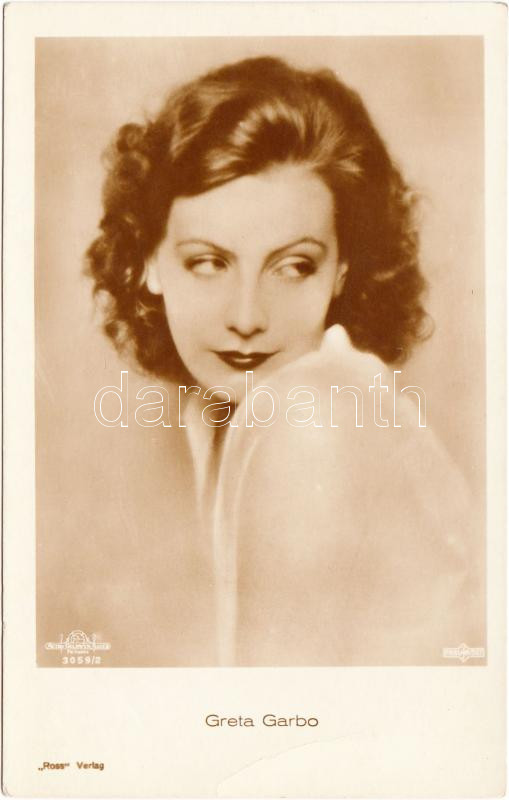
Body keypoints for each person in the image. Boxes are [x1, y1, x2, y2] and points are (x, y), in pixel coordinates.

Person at [86, 56, 484, 666]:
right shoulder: (226, 409)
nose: (248, 316)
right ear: (149, 262)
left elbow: (275, 710)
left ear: (342, 270)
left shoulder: (307, 416)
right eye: (209, 262)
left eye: (294, 266)